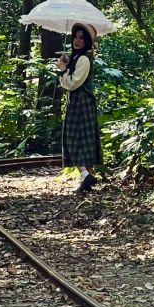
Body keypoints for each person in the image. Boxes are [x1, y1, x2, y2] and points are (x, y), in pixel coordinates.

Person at [55, 24, 102, 194]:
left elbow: (73, 84)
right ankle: (86, 180)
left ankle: (84, 173)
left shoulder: (83, 59)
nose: (77, 40)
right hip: (80, 104)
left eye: (82, 38)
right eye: (75, 37)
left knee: (75, 141)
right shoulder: (78, 58)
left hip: (81, 104)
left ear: (87, 41)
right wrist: (66, 67)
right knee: (84, 141)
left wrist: (62, 71)